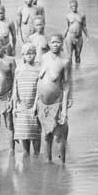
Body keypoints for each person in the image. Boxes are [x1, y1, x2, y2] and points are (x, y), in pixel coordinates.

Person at [35, 33, 71, 163]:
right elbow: (39, 81)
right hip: (42, 104)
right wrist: (35, 103)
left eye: (58, 42)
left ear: (62, 44)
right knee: (46, 136)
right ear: (48, 44)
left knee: (58, 137)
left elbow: (66, 85)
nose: (55, 45)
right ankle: (48, 162)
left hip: (56, 103)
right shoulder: (43, 58)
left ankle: (62, 164)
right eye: (52, 42)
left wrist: (65, 111)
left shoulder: (65, 62)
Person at [12, 43, 41, 156]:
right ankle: (27, 160)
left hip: (34, 106)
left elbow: (39, 88)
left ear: (35, 54)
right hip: (21, 106)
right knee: (24, 135)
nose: (29, 56)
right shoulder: (19, 69)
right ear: (23, 55)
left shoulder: (38, 69)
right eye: (26, 54)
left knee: (35, 134)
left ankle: (37, 159)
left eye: (31, 53)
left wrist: (35, 105)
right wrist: (14, 106)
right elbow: (15, 87)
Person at [63, 0, 88, 64]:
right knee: (69, 56)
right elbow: (66, 27)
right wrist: (63, 38)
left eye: (75, 6)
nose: (74, 8)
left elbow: (84, 26)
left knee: (78, 55)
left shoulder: (82, 15)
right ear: (70, 7)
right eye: (72, 6)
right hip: (70, 36)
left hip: (79, 37)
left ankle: (78, 70)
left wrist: (87, 36)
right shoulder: (68, 16)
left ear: (77, 6)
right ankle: (70, 72)